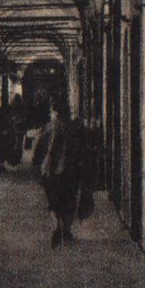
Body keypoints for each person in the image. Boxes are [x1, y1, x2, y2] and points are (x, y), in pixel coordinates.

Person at [33, 98, 91, 248]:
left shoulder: (48, 128)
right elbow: (84, 150)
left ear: (55, 112)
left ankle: (57, 226)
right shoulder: (76, 128)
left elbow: (39, 150)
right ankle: (66, 230)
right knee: (69, 201)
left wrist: (38, 165)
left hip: (51, 171)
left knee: (54, 202)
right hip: (71, 171)